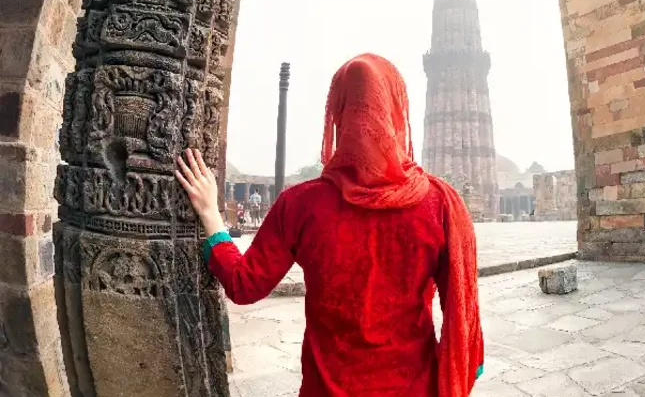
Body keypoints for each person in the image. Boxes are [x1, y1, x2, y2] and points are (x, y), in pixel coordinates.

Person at [176, 53, 484, 397]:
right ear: (397, 111)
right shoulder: (439, 205)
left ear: (339, 114)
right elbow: (462, 313)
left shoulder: (301, 205)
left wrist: (210, 214)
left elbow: (244, 285)